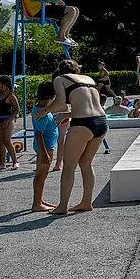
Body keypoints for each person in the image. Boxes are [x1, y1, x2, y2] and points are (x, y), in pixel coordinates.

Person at [47, 59, 108, 214]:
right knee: (86, 164)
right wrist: (66, 114)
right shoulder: (89, 79)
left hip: (82, 124)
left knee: (69, 166)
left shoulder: (60, 79)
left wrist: (44, 111)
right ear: (77, 70)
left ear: (60, 71)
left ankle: (62, 206)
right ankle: (86, 202)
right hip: (101, 122)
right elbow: (88, 107)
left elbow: (60, 101)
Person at [30, 82, 61, 211]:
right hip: (46, 147)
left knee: (41, 175)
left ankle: (39, 200)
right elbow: (38, 134)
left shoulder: (41, 109)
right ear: (50, 98)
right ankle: (37, 203)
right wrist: (44, 153)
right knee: (41, 175)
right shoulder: (41, 114)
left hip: (46, 146)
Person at [0, 75, 19, 171]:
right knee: (0, 142)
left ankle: (15, 162)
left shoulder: (10, 95)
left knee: (7, 141)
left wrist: (8, 120)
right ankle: (2, 163)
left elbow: (17, 109)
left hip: (8, 120)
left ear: (5, 84)